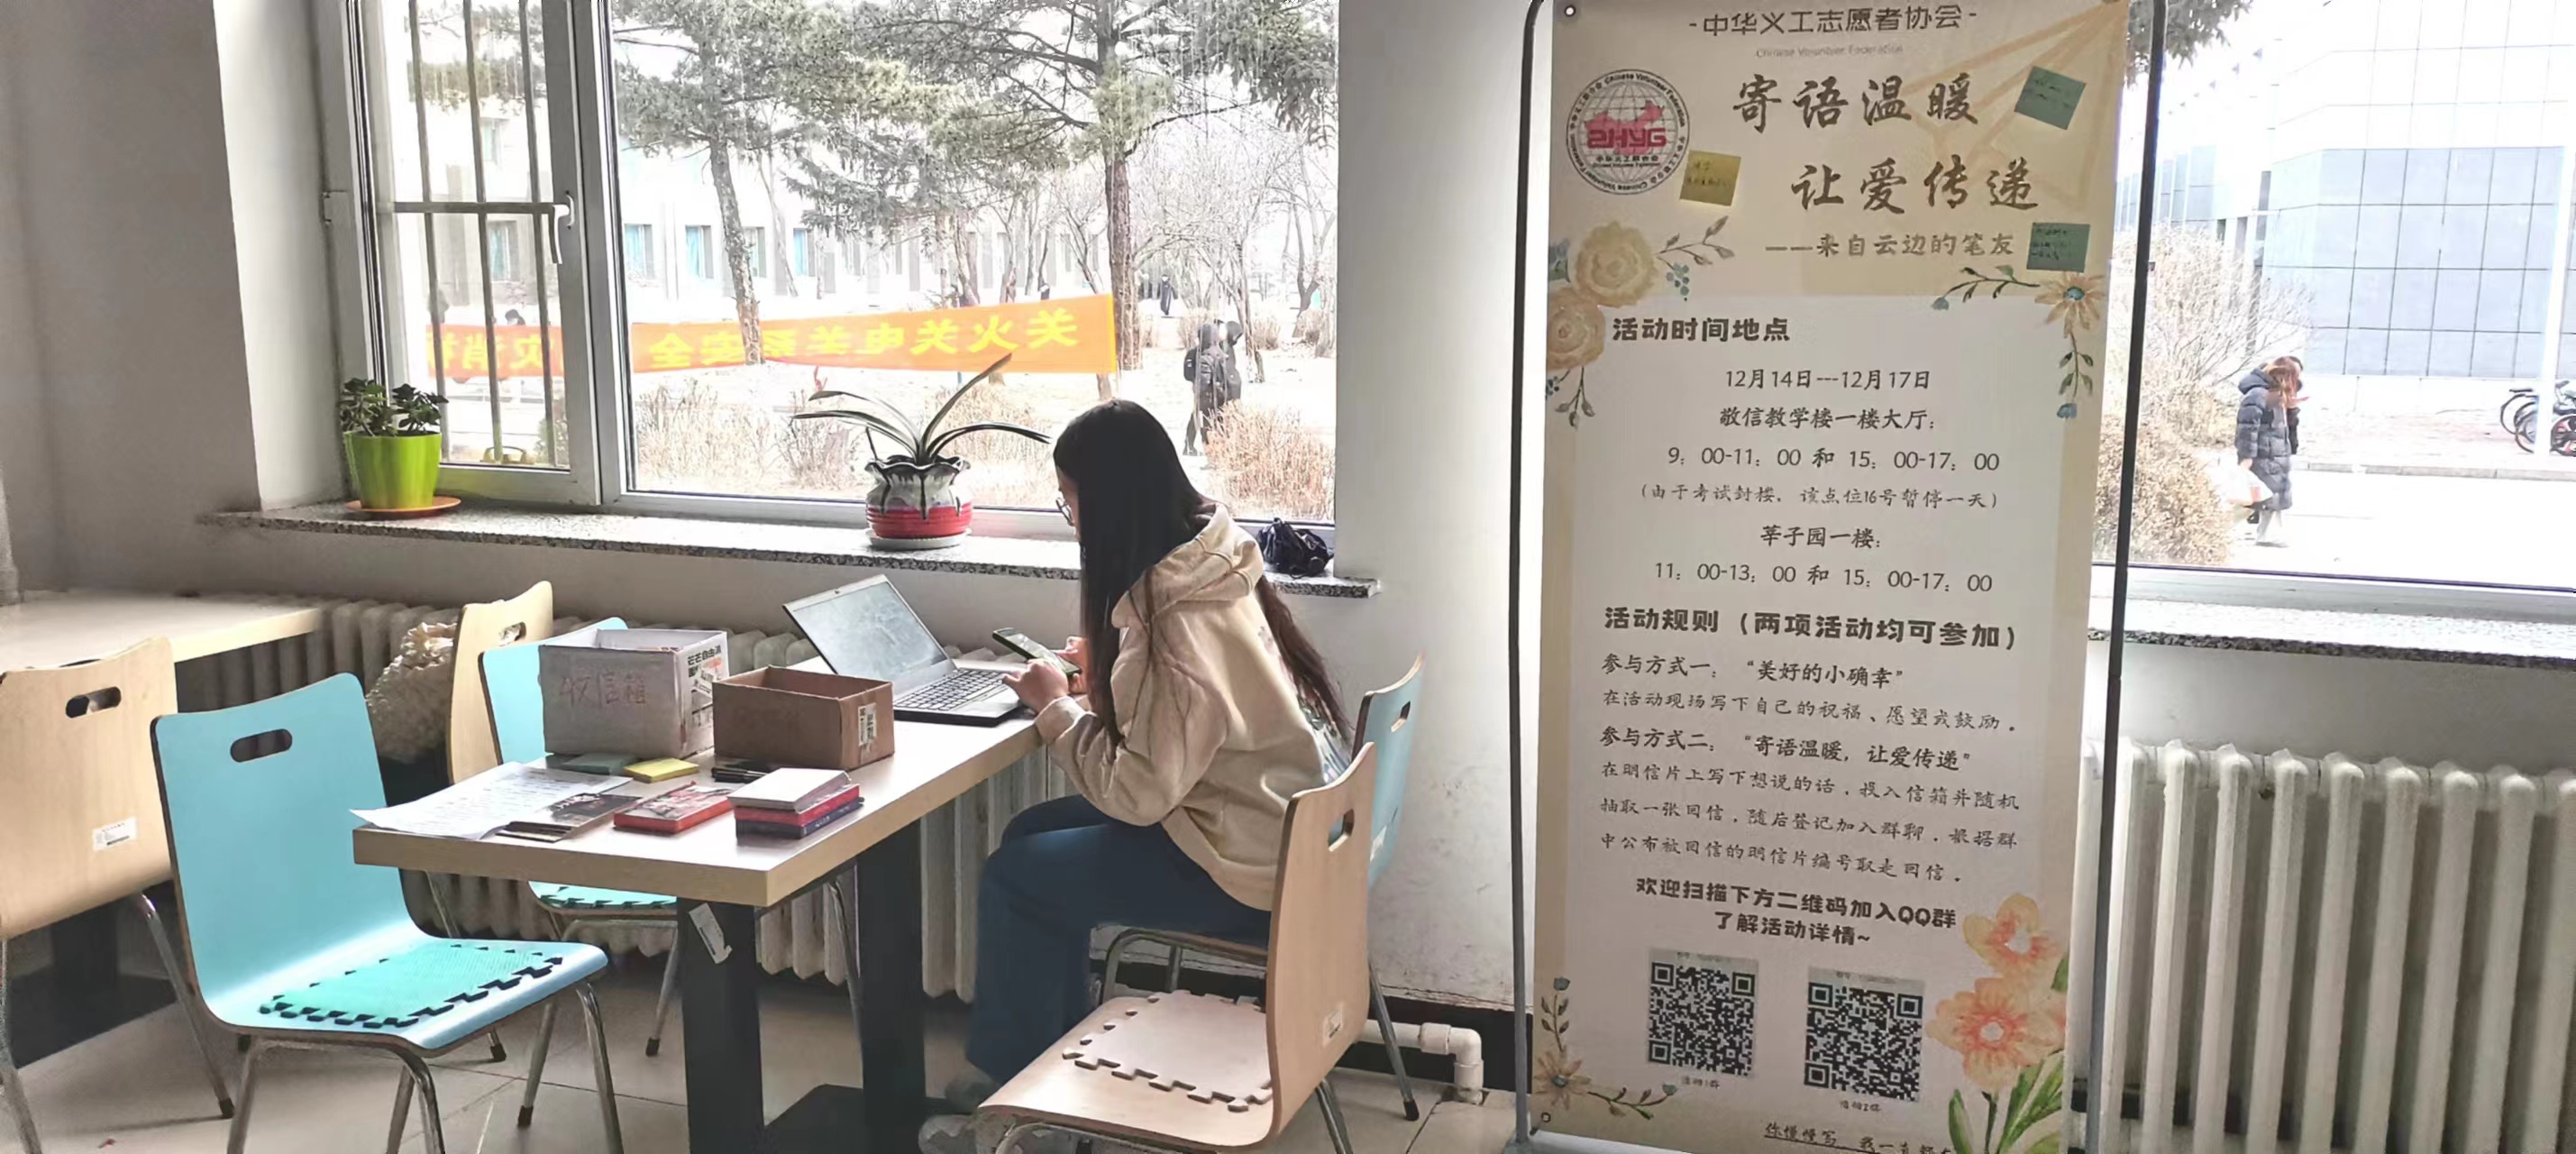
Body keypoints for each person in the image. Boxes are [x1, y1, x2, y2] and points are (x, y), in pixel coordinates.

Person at [919, 399, 1344, 1154]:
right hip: (1266, 828)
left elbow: (1136, 795)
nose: (1071, 519)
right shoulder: (1211, 563)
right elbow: (1188, 725)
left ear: (1112, 503)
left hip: (1235, 864)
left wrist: (1055, 709)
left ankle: (1020, 1111)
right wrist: (1114, 678)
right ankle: (1044, 1073)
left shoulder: (1176, 625)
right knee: (1027, 836)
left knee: (1018, 880)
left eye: (1070, 501)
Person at [2237, 357, 2300, 545]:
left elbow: (2282, 425)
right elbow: (2247, 427)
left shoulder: (2274, 394)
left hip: (2274, 453)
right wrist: (2247, 456)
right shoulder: (2258, 394)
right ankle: (2263, 534)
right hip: (2264, 453)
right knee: (2266, 496)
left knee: (2272, 497)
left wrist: (2292, 409)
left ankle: (2265, 533)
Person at [1179, 322, 1239, 455]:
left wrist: (1197, 387)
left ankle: (1205, 448)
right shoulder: (1219, 353)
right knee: (1215, 420)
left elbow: (1202, 379)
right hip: (1219, 393)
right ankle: (1214, 448)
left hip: (1207, 394)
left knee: (1203, 420)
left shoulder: (1204, 355)